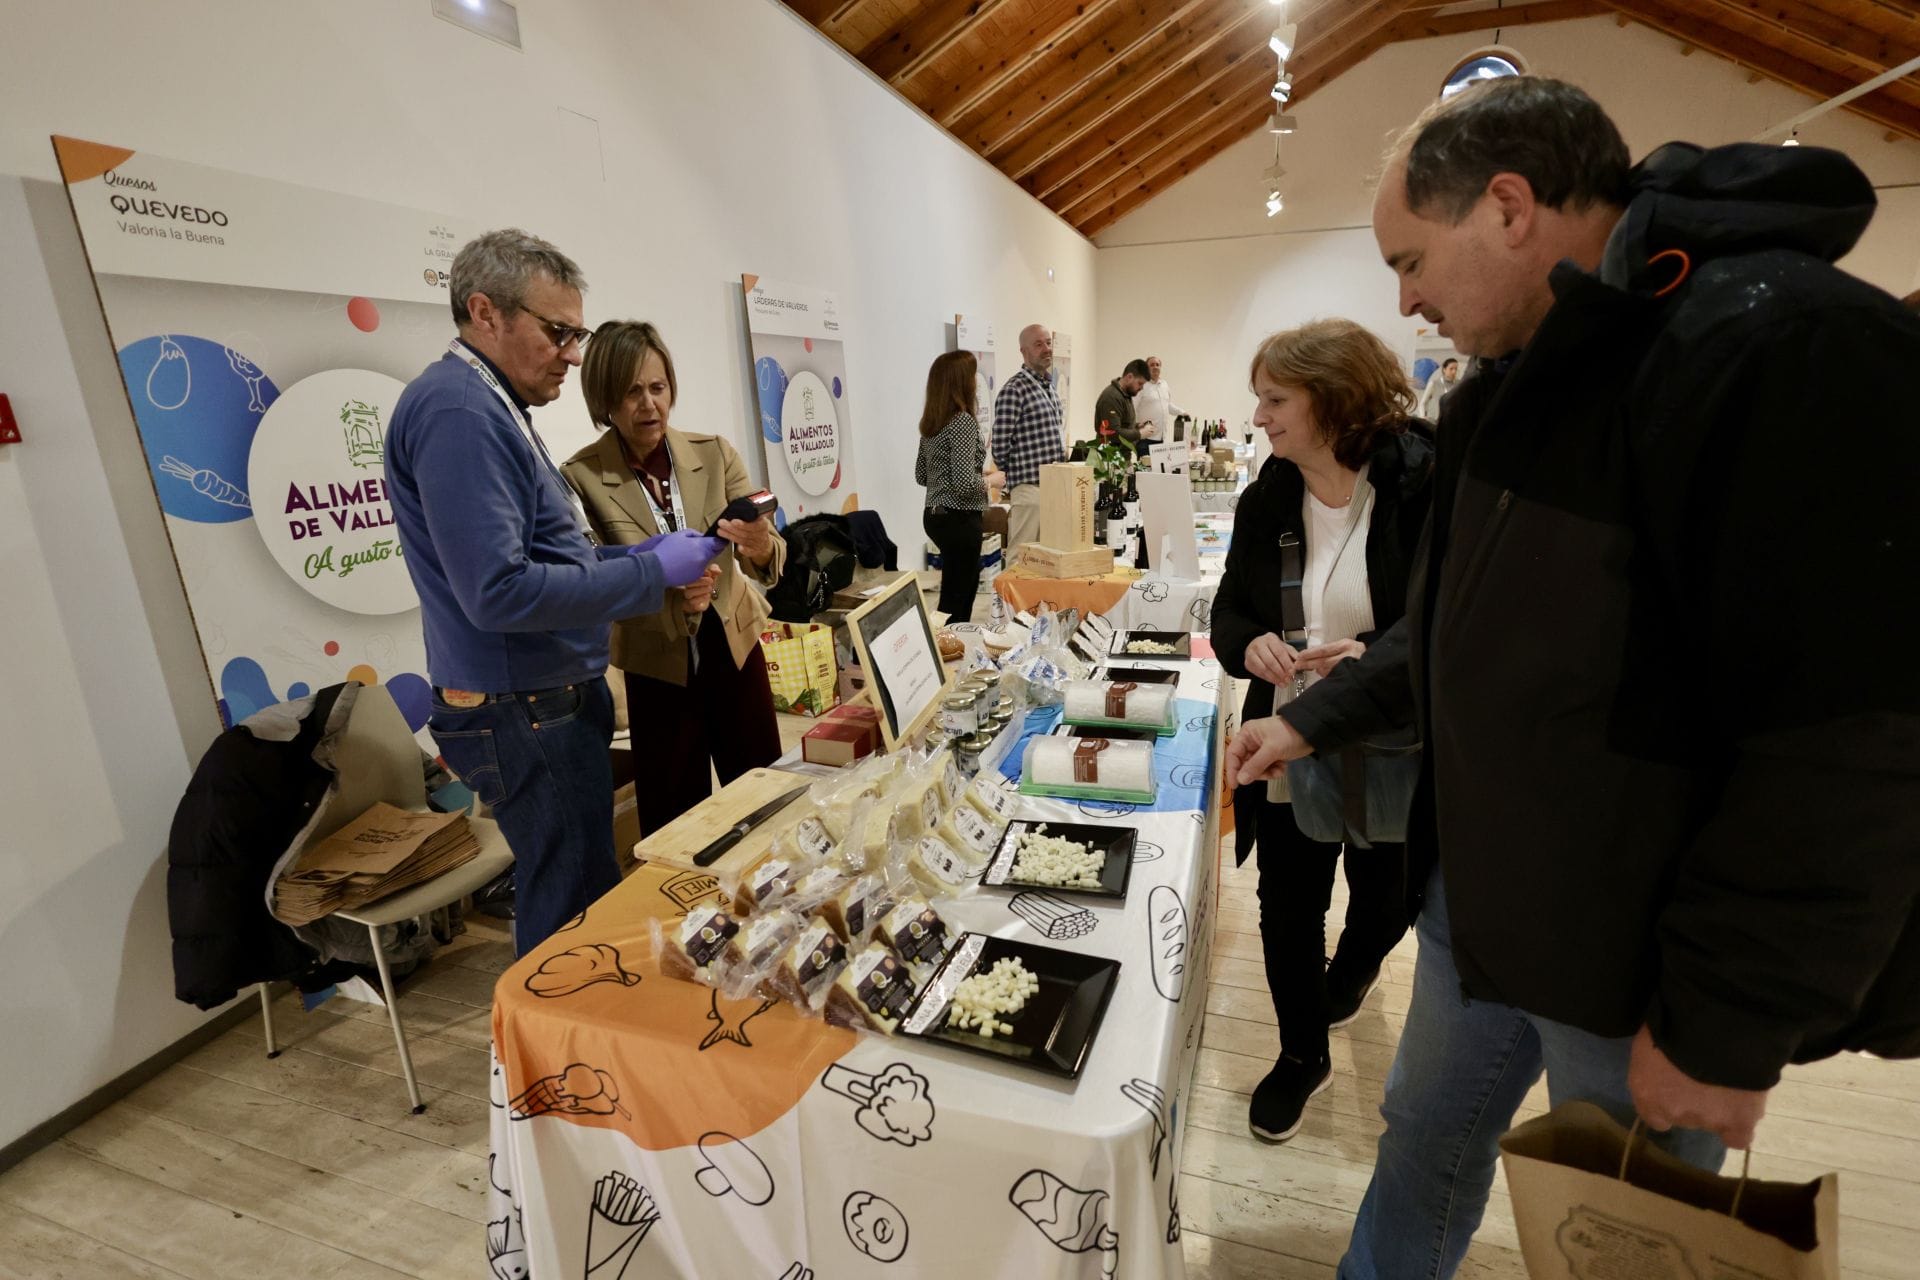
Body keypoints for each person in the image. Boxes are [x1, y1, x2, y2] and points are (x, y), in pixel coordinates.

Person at [1226, 77, 1920, 1279]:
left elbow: (1851, 745)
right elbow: (1449, 635)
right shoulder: (1513, 385)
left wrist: (1723, 1020)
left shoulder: (1779, 346)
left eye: (1410, 259)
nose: (1406, 299)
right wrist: (1312, 723)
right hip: (1481, 920)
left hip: (1639, 971)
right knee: (1422, 1149)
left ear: (1506, 206)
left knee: (1629, 1238)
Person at [387, 230, 725, 956]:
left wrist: (638, 554)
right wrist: (648, 573)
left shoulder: (489, 404)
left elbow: (544, 554)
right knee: (572, 905)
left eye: (579, 333)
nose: (574, 353)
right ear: (486, 313)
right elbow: (498, 591)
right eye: (558, 332)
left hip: (541, 701)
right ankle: (565, 1062)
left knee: (581, 888)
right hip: (525, 708)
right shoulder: (460, 414)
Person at [1212, 320, 1433, 1144]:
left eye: (1275, 399)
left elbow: (1443, 621)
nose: (1260, 417)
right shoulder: (1268, 493)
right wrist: (1250, 642)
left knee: (1385, 905)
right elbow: (1230, 608)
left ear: (1332, 399)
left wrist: (1367, 657)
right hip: (1282, 738)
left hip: (1391, 739)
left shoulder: (1419, 485)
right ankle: (1302, 1053)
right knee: (1286, 907)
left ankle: (1348, 983)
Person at [562, 320, 786, 837]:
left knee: (762, 797)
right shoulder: (582, 478)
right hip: (655, 666)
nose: (649, 405)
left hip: (734, 647)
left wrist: (758, 546)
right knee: (674, 819)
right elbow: (592, 585)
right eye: (632, 391)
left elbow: (770, 553)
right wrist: (671, 603)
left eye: (658, 388)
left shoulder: (713, 452)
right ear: (604, 397)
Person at [915, 349, 987, 621]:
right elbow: (964, 484)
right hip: (960, 519)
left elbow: (922, 476)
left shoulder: (932, 424)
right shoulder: (962, 422)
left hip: (934, 517)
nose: (976, 381)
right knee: (960, 597)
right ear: (962, 382)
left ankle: (946, 646)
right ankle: (951, 650)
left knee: (953, 590)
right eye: (973, 375)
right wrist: (990, 480)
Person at [991, 323, 1065, 550]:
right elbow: (999, 446)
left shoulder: (1048, 387)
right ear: (1023, 351)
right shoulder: (1015, 389)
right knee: (1020, 557)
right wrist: (1019, 476)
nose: (1047, 349)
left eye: (1049, 343)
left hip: (1052, 486)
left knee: (1047, 557)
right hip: (1029, 489)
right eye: (1038, 344)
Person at [1131, 355, 1185, 442]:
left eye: (1157, 364)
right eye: (1152, 365)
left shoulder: (1164, 384)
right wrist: (1133, 431)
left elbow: (1167, 405)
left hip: (1161, 437)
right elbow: (1131, 408)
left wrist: (1182, 412)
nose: (1155, 367)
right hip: (1145, 439)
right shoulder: (1141, 385)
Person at [1094, 359, 1149, 444]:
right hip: (1111, 455)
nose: (1141, 388)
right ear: (1129, 377)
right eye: (1140, 383)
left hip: (1120, 455)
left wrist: (1137, 426)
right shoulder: (1111, 397)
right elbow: (1112, 433)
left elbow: (1122, 423)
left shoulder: (1125, 395)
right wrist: (1139, 434)